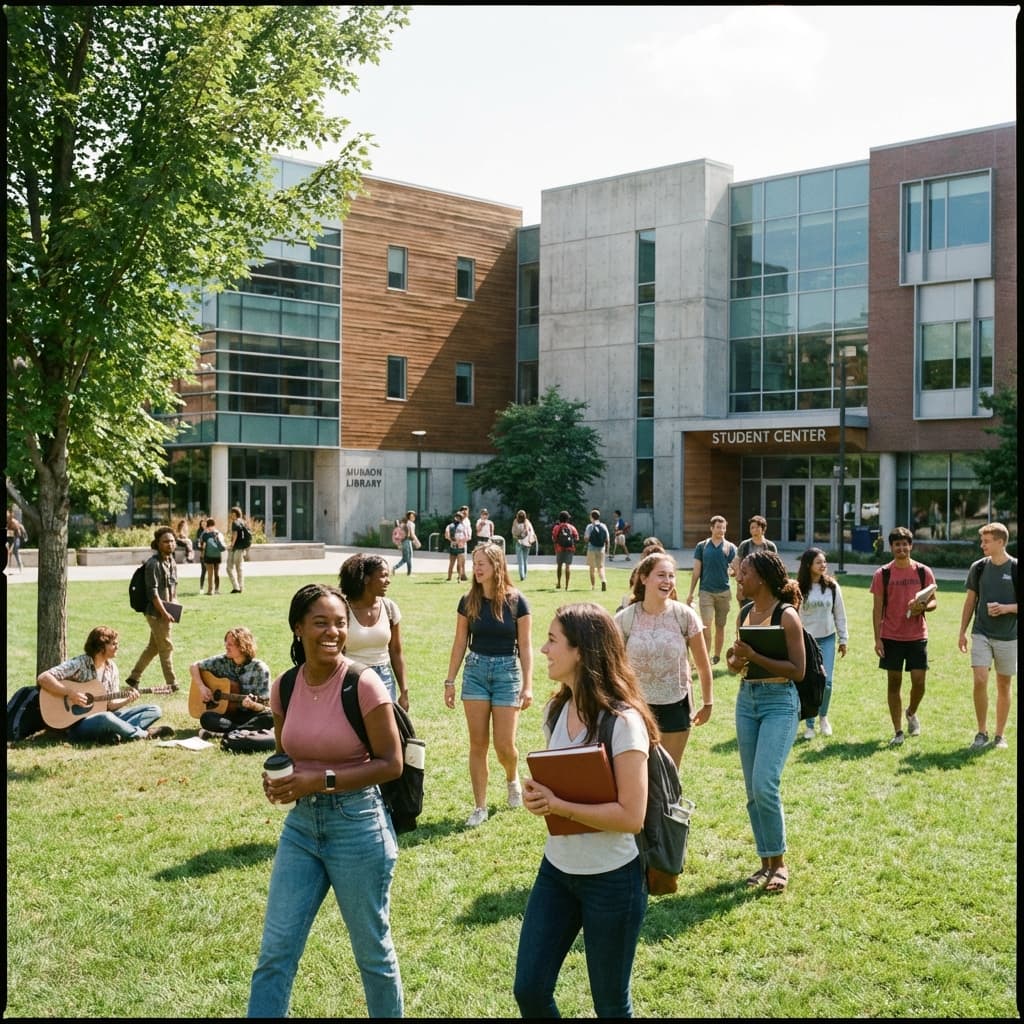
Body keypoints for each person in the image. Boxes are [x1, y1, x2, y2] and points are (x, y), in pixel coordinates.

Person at [248, 583, 404, 1018]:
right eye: (321, 622)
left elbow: (392, 764)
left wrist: (322, 780)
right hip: (301, 830)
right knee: (275, 954)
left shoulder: (364, 684)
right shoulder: (284, 687)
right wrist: (279, 782)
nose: (333, 631)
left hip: (358, 826)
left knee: (372, 955)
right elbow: (288, 755)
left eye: (340, 623)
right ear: (299, 628)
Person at [514, 602, 657, 1018]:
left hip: (612, 881)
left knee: (611, 1006)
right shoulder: (556, 709)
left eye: (553, 640)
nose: (543, 649)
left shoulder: (624, 723)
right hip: (557, 873)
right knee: (530, 989)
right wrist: (538, 798)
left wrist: (561, 806)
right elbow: (559, 788)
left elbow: (632, 816)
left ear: (582, 651)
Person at [725, 550, 805, 894]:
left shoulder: (786, 616)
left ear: (761, 577)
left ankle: (780, 863)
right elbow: (735, 660)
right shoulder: (744, 612)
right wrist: (734, 660)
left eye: (743, 572)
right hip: (748, 700)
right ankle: (765, 862)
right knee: (751, 790)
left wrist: (754, 655)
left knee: (764, 784)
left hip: (779, 703)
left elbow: (797, 671)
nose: (738, 578)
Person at [443, 542, 533, 827]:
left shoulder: (517, 601)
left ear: (497, 566)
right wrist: (450, 680)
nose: (476, 568)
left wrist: (528, 685)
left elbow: (526, 647)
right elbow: (460, 643)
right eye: (474, 563)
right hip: (476, 672)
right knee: (478, 744)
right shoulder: (467, 601)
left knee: (505, 745)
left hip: (507, 672)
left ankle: (511, 777)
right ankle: (480, 806)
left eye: (482, 563)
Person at [615, 552, 714, 766]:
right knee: (639, 773)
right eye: (661, 575)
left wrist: (708, 703)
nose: (667, 581)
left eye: (671, 576)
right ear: (644, 578)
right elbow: (612, 667)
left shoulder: (685, 616)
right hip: (636, 706)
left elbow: (703, 666)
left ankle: (670, 802)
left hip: (676, 704)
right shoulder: (625, 618)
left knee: (669, 772)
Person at [36, 626, 174, 743]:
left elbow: (110, 705)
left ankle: (114, 734)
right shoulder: (80, 663)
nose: (117, 646)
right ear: (101, 647)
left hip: (103, 715)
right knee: (106, 718)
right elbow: (43, 678)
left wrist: (127, 700)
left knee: (154, 710)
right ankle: (141, 735)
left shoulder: (112, 668)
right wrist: (70, 693)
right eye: (113, 644)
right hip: (75, 724)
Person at [870, 526, 938, 746]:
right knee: (894, 682)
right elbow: (877, 608)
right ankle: (898, 731)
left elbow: (934, 601)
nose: (901, 548)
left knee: (919, 682)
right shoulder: (883, 574)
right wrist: (877, 638)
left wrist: (923, 607)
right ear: (891, 547)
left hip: (917, 635)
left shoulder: (923, 571)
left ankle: (911, 712)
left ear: (911, 546)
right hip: (891, 635)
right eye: (897, 544)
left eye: (905, 544)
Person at [959, 522, 1017, 750]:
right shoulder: (979, 567)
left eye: (986, 541)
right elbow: (970, 601)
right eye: (982, 541)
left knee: (1004, 684)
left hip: (1009, 635)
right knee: (980, 679)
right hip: (981, 631)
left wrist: (1007, 608)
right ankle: (981, 732)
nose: (982, 545)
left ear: (1000, 542)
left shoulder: (1015, 568)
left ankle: (999, 735)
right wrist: (962, 631)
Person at [339, 553, 410, 710]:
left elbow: (396, 652)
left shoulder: (390, 608)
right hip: (350, 676)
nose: (388, 580)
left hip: (383, 676)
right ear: (366, 579)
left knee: (384, 729)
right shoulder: (342, 609)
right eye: (383, 576)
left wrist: (404, 691)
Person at [796, 548, 849, 740]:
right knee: (809, 682)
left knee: (826, 683)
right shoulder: (798, 588)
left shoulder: (832, 587)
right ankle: (809, 724)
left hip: (827, 639)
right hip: (805, 641)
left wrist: (843, 639)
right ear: (809, 565)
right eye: (819, 562)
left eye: (824, 562)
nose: (823, 565)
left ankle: (823, 717)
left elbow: (840, 615)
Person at [190, 627, 272, 740]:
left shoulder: (260, 669)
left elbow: (265, 706)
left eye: (230, 644)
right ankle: (243, 731)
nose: (226, 646)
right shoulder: (222, 661)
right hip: (229, 715)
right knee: (206, 718)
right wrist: (202, 687)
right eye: (226, 643)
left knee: (269, 717)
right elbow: (194, 666)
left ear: (243, 646)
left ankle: (227, 732)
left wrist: (253, 705)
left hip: (250, 715)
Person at [125, 527, 180, 692]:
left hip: (168, 610)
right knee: (166, 646)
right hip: (156, 613)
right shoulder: (153, 564)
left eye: (171, 541)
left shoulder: (171, 562)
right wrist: (164, 613)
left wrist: (174, 605)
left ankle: (133, 677)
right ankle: (172, 684)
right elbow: (153, 593)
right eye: (165, 541)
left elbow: (173, 586)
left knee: (154, 647)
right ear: (157, 544)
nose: (169, 544)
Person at [687, 516, 738, 666]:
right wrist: (691, 592)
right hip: (706, 592)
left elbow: (736, 570)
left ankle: (716, 656)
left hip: (724, 592)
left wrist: (733, 572)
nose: (721, 530)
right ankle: (705, 659)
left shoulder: (730, 547)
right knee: (706, 626)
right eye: (718, 527)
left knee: (720, 626)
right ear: (711, 528)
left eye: (723, 528)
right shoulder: (702, 547)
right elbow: (696, 571)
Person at [733, 515, 778, 606]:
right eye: (752, 528)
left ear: (763, 529)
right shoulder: (744, 545)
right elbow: (737, 565)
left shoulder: (770, 546)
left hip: (764, 587)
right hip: (747, 586)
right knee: (745, 615)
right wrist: (739, 588)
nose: (754, 530)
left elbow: (775, 567)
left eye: (757, 527)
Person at [551, 511, 579, 591]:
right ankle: (567, 586)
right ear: (567, 519)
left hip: (559, 548)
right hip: (570, 549)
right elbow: (577, 537)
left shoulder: (557, 527)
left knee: (559, 566)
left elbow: (554, 538)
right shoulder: (571, 527)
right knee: (567, 566)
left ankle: (559, 583)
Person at [584, 508, 610, 592]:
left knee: (592, 568)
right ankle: (603, 580)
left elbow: (586, 538)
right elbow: (607, 539)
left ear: (591, 517)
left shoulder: (590, 526)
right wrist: (607, 550)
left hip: (591, 548)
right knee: (601, 567)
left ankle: (593, 586)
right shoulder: (603, 526)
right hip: (601, 549)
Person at [200, 517, 226, 595]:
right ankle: (217, 590)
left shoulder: (205, 534)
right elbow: (222, 545)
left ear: (207, 525)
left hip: (208, 556)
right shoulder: (218, 533)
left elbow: (203, 546)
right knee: (217, 573)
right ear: (214, 525)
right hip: (217, 556)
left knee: (210, 574)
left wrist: (202, 555)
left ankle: (210, 590)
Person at [227, 506, 249, 594]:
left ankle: (236, 587)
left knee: (229, 568)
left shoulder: (235, 522)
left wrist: (231, 545)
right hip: (241, 548)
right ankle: (240, 587)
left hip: (236, 548)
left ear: (235, 514)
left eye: (232, 514)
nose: (231, 516)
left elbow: (235, 534)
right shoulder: (243, 522)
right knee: (239, 568)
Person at [510, 508, 536, 582]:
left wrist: (518, 537)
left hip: (518, 542)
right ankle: (525, 575)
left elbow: (513, 532)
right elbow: (530, 532)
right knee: (525, 560)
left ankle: (522, 576)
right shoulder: (527, 522)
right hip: (527, 543)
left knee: (520, 561)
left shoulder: (515, 522)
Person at [392, 510, 420, 576]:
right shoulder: (411, 524)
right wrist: (417, 542)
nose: (413, 517)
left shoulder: (405, 523)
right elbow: (412, 534)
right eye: (412, 516)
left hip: (404, 542)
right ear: (409, 517)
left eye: (414, 516)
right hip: (407, 542)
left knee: (405, 558)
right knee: (409, 557)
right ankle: (409, 573)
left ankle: (396, 568)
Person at [6, 507, 27, 573]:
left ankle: (20, 567)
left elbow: (19, 531)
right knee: (9, 552)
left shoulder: (14, 523)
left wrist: (25, 535)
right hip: (11, 537)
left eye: (8, 514)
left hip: (16, 538)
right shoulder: (8, 522)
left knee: (15, 551)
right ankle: (9, 568)